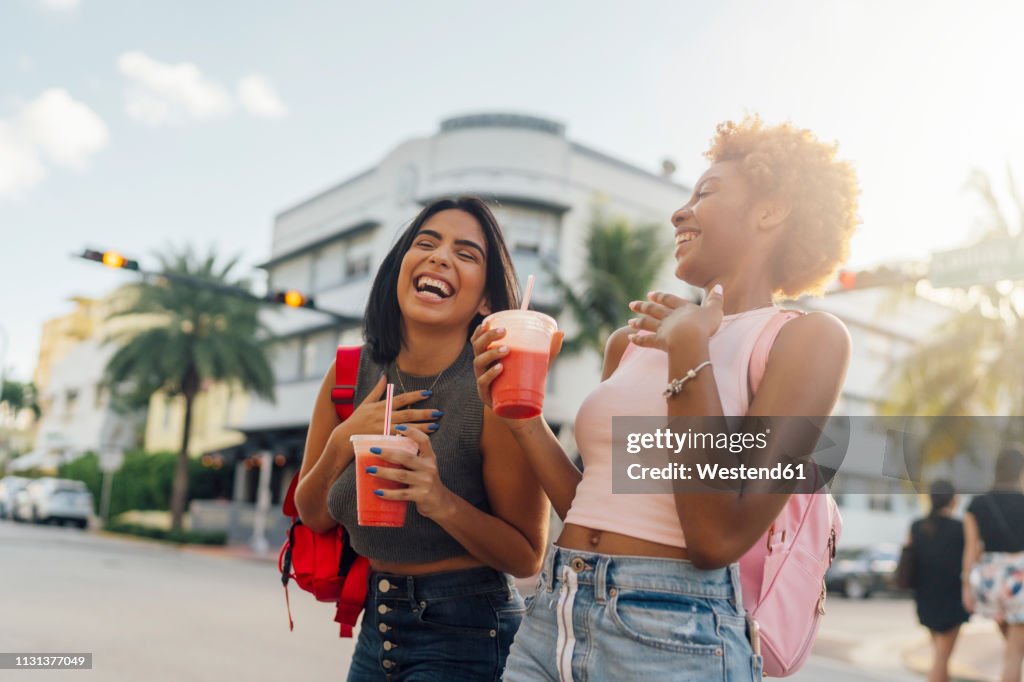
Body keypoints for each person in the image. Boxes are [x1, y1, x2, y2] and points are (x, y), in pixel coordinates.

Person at [473, 115, 859, 680]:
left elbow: (716, 536)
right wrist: (524, 420)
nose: (680, 211)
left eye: (706, 193)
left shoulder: (806, 340)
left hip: (674, 632)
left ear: (771, 211)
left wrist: (690, 351)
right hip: (554, 614)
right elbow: (591, 502)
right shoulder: (630, 341)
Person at [293, 197, 549, 681]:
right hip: (378, 622)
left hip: (469, 631)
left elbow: (526, 555)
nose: (439, 256)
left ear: (486, 300)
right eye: (426, 243)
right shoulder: (350, 372)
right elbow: (312, 512)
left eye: (466, 253)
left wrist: (438, 500)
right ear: (399, 269)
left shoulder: (496, 388)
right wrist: (343, 439)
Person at [964, 444, 1024, 682]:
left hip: (989, 582)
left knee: (1013, 646)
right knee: (1013, 654)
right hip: (1019, 581)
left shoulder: (977, 504)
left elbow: (970, 551)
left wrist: (966, 588)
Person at [905, 479, 970, 682]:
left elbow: (909, 560)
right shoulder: (961, 528)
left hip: (924, 598)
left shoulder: (916, 526)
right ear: (953, 500)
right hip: (952, 600)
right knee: (942, 658)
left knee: (941, 656)